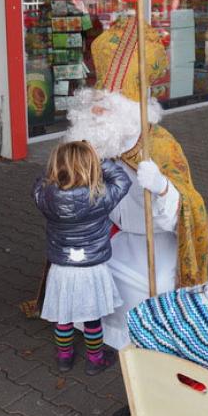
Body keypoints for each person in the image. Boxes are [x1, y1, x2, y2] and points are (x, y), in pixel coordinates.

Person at [31, 17, 208, 350]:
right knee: (83, 274)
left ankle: (137, 337)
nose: (96, 109)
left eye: (106, 105)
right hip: (108, 238)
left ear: (130, 110)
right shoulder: (93, 143)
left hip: (153, 242)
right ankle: (90, 335)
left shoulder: (160, 146)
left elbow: (190, 210)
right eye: (97, 101)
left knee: (145, 286)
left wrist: (163, 188)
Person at [34, 141, 132, 375]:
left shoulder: (47, 196)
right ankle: (95, 359)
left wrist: (54, 168)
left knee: (63, 316)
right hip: (92, 268)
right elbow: (123, 181)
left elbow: (37, 185)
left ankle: (64, 358)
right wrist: (99, 160)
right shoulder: (99, 195)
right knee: (92, 316)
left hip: (61, 266)